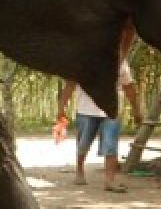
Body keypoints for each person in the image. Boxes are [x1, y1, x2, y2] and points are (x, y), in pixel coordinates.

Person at [57, 25, 142, 193]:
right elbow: (70, 85)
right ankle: (79, 170)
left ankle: (109, 180)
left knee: (110, 146)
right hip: (86, 109)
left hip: (111, 110)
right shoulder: (84, 59)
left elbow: (129, 88)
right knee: (83, 144)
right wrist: (61, 108)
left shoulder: (120, 63)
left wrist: (137, 110)